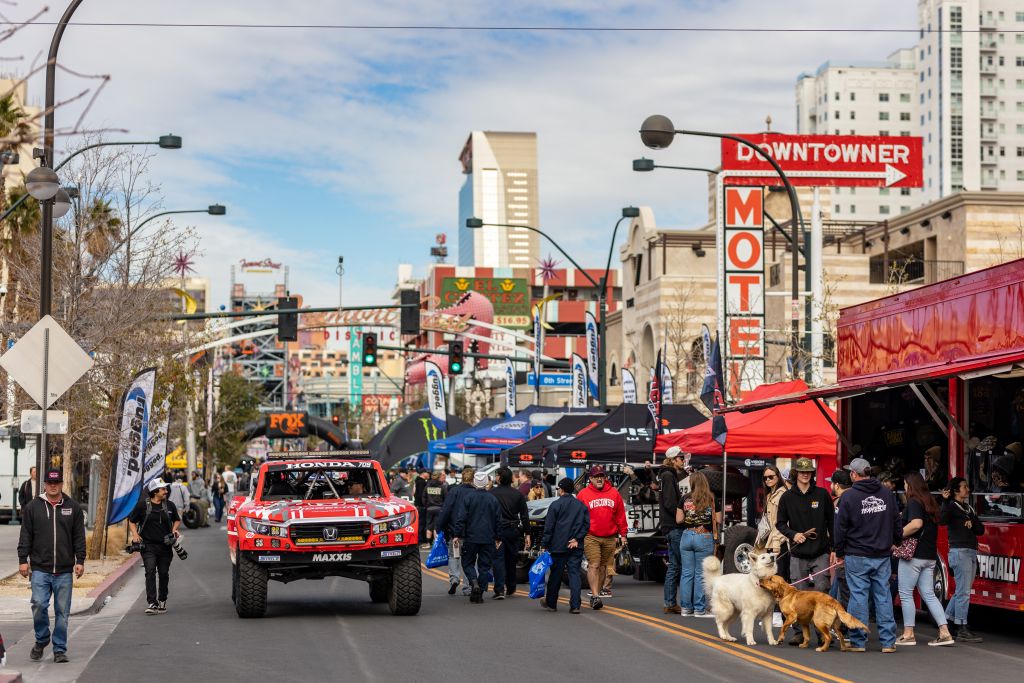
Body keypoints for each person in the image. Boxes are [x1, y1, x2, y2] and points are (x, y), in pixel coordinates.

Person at [16, 469, 85, 664]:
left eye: (57, 483)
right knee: (38, 605)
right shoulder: (32, 507)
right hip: (40, 569)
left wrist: (80, 561)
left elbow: (79, 537)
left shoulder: (73, 507)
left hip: (64, 570)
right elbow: (26, 535)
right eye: (49, 482)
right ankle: (42, 639)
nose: (53, 486)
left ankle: (59, 649)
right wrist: (23, 560)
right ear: (44, 484)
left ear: (62, 484)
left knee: (62, 613)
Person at [834, 457, 902, 653]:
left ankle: (858, 641)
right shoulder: (887, 494)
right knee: (883, 596)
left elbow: (840, 528)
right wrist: (896, 541)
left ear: (854, 474)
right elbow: (896, 521)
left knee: (858, 596)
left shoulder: (848, 497)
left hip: (857, 554)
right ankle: (888, 642)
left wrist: (839, 552)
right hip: (881, 554)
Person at [776, 457, 835, 634]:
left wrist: (835, 548)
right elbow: (780, 523)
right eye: (802, 471)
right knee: (797, 596)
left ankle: (822, 631)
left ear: (812, 473)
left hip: (820, 552)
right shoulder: (786, 497)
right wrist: (794, 535)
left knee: (822, 591)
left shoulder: (822, 494)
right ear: (796, 474)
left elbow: (832, 523)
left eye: (808, 471)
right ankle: (799, 633)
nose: (805, 475)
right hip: (798, 553)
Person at [895, 471, 954, 647]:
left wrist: (897, 536)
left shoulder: (914, 502)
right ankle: (944, 632)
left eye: (905, 484)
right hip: (929, 556)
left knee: (905, 594)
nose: (904, 487)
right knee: (929, 594)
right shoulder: (931, 502)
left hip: (913, 556)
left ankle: (908, 633)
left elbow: (916, 524)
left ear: (911, 485)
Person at [939, 476, 985, 643]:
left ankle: (945, 620)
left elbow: (980, 530)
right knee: (964, 591)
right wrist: (944, 501)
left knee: (962, 590)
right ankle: (962, 627)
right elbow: (942, 521)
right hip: (959, 552)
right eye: (964, 487)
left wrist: (971, 523)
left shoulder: (969, 509)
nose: (968, 489)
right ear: (956, 490)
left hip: (970, 552)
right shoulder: (950, 506)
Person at [576, 465, 627, 611]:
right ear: (590, 478)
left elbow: (620, 515)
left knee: (604, 567)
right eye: (596, 476)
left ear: (605, 478)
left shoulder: (614, 493)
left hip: (610, 537)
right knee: (594, 565)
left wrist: (623, 534)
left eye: (601, 476)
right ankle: (596, 595)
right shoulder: (583, 494)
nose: (599, 479)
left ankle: (595, 594)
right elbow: (578, 516)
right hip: (591, 536)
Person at [128, 478, 182, 615]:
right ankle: (152, 602)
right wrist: (135, 534)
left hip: (165, 547)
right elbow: (132, 521)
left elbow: (177, 519)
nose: (166, 491)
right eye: (163, 489)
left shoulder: (169, 506)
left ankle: (162, 600)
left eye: (165, 489)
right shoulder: (142, 506)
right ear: (154, 491)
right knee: (150, 571)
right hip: (148, 546)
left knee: (163, 574)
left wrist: (174, 530)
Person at [541, 477, 590, 614]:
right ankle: (575, 605)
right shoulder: (581, 506)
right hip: (575, 545)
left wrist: (544, 544)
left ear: (561, 490)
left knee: (556, 575)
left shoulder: (555, 505)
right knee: (574, 574)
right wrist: (577, 539)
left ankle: (551, 604)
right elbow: (586, 525)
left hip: (558, 545)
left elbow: (549, 527)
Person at [452, 471, 501, 604]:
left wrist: (457, 534)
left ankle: (474, 583)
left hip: (471, 537)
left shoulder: (468, 498)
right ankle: (480, 590)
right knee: (484, 566)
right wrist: (498, 537)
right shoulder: (493, 499)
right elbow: (498, 520)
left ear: (474, 482)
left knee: (467, 563)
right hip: (488, 537)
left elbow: (461, 518)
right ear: (486, 483)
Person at [675, 469, 717, 618]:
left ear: (692, 483)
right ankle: (699, 609)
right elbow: (718, 520)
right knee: (700, 574)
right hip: (704, 536)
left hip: (686, 536)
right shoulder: (711, 498)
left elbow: (678, 520)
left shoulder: (684, 498)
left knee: (687, 573)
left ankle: (686, 608)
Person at [490, 467, 530, 599]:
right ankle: (511, 586)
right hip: (513, 530)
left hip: (497, 529)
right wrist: (527, 533)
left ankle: (499, 589)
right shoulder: (517, 494)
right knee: (511, 559)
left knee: (498, 559)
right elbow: (524, 515)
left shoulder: (492, 493)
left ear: (499, 478)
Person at [436, 467, 476, 595]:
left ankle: (454, 579)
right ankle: (469, 585)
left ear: (462, 478)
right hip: (472, 532)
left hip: (455, 532)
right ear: (473, 478)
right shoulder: (477, 493)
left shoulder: (454, 491)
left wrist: (439, 526)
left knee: (454, 556)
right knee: (471, 559)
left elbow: (446, 510)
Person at [659, 446, 686, 615]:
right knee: (680, 565)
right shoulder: (668, 475)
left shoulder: (667, 475)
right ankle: (677, 603)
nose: (683, 460)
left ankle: (670, 602)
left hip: (670, 526)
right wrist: (681, 516)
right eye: (681, 458)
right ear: (673, 459)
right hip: (673, 526)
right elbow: (670, 502)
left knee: (675, 566)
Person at [826, 469, 852, 606]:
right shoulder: (857, 497)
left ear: (836, 485)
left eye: (832, 484)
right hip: (858, 552)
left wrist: (837, 551)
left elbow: (839, 529)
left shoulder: (842, 501)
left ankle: (843, 625)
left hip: (846, 553)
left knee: (845, 592)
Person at [762, 464, 789, 582]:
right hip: (771, 540)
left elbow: (782, 522)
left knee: (780, 579)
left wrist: (776, 544)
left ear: (778, 477)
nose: (768, 480)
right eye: (765, 478)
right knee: (772, 578)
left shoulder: (782, 494)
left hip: (779, 542)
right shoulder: (770, 495)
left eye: (771, 477)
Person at [423, 471, 446, 544]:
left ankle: (428, 543)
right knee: (436, 526)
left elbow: (423, 497)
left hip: (429, 509)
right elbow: (446, 498)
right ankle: (436, 543)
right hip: (439, 509)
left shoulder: (427, 486)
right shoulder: (442, 486)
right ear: (439, 477)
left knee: (429, 526)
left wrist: (426, 506)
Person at [414, 469, 430, 546]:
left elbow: (414, 493)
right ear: (423, 473)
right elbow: (421, 495)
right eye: (427, 473)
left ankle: (420, 540)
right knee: (421, 524)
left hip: (418, 505)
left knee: (420, 523)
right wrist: (424, 504)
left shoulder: (417, 481)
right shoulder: (422, 482)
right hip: (421, 506)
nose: (429, 474)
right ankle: (420, 541)